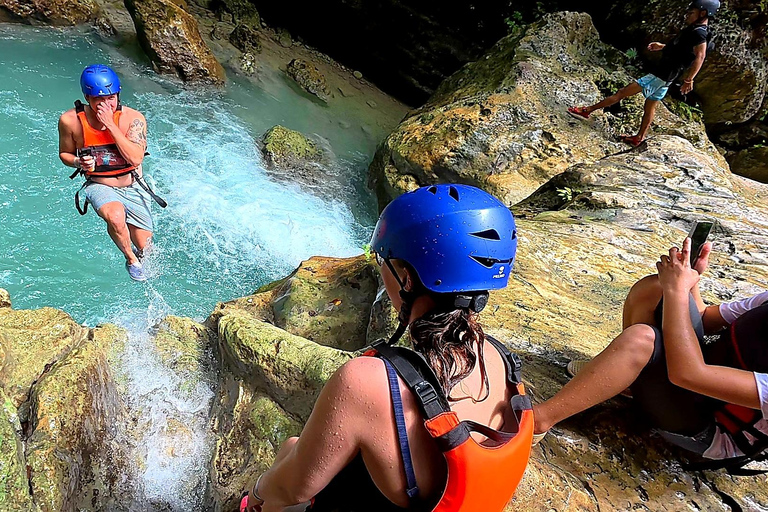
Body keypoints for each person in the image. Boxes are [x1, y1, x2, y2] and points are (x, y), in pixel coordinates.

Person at [242, 185, 533, 512]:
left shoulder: (367, 383)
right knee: (297, 450)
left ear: (407, 278)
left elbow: (294, 489)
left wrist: (256, 492)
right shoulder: (500, 360)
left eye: (383, 259)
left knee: (284, 474)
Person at [533, 237, 768, 470]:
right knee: (656, 289)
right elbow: (705, 318)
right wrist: (689, 278)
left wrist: (677, 289)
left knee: (643, 340)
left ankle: (538, 422)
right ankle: (624, 380)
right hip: (699, 378)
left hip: (710, 427)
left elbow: (688, 374)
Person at [568, 0, 718, 147]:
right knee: (650, 106)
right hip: (668, 77)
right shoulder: (697, 30)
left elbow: (700, 56)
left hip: (660, 75)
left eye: (691, 13)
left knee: (621, 93)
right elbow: (681, 50)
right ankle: (639, 138)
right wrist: (662, 47)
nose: (687, 15)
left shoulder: (699, 33)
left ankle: (587, 110)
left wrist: (689, 80)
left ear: (703, 13)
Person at [58, 64, 153, 282]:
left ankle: (138, 254)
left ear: (118, 94)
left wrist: (110, 125)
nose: (106, 104)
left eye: (110, 98)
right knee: (116, 217)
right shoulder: (70, 121)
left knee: (145, 247)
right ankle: (131, 259)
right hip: (100, 184)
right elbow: (64, 154)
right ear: (87, 98)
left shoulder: (133, 119)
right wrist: (78, 162)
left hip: (133, 183)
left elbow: (135, 158)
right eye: (98, 100)